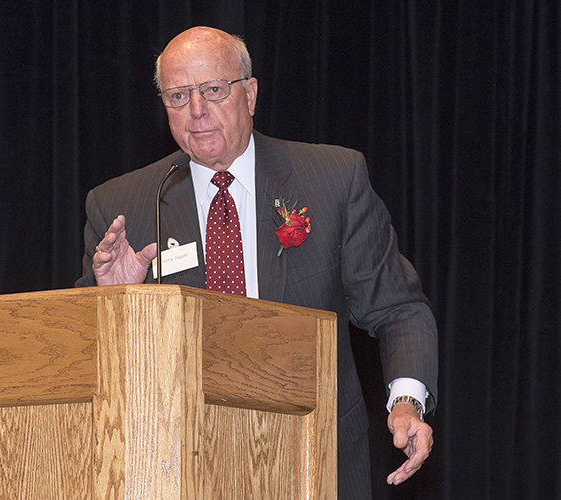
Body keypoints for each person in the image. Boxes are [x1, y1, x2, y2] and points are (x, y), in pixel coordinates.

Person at [76, 26, 437, 500]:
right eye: (179, 96)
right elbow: (83, 360)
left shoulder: (332, 180)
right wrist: (113, 300)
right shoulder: (123, 204)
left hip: (312, 457)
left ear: (249, 94)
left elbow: (398, 309)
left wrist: (407, 402)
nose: (196, 110)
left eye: (213, 90)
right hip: (178, 464)